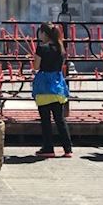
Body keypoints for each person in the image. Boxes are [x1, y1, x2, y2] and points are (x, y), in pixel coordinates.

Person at [32, 22, 72, 158]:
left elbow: (36, 66)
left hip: (44, 86)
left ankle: (48, 148)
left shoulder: (41, 48)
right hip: (57, 85)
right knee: (60, 119)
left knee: (45, 119)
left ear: (44, 33)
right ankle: (68, 148)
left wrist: (33, 61)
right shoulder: (61, 47)